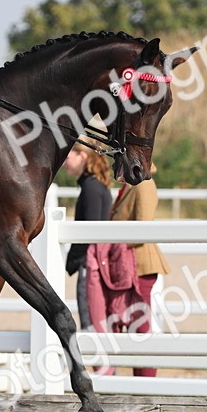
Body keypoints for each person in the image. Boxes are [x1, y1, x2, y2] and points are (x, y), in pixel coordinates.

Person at [86, 162, 171, 377]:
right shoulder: (131, 186)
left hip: (140, 264)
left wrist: (109, 247)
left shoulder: (143, 185)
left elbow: (143, 225)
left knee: (140, 327)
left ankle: (145, 381)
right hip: (128, 265)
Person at [62, 142, 113, 331]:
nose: (64, 163)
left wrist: (72, 260)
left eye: (68, 158)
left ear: (82, 156)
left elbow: (89, 232)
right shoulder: (95, 186)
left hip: (89, 263)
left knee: (89, 318)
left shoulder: (91, 188)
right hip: (93, 261)